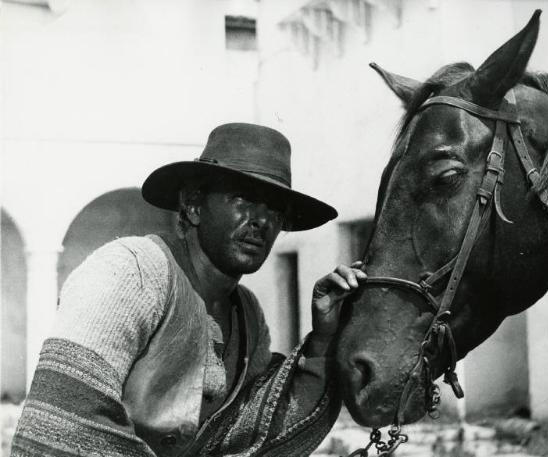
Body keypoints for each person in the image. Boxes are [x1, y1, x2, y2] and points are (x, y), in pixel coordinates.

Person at [10, 123, 367, 457]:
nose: (261, 220)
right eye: (243, 199)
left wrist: (323, 338)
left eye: (275, 209)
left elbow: (260, 431)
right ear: (194, 204)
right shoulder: (132, 271)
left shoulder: (246, 314)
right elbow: (63, 418)